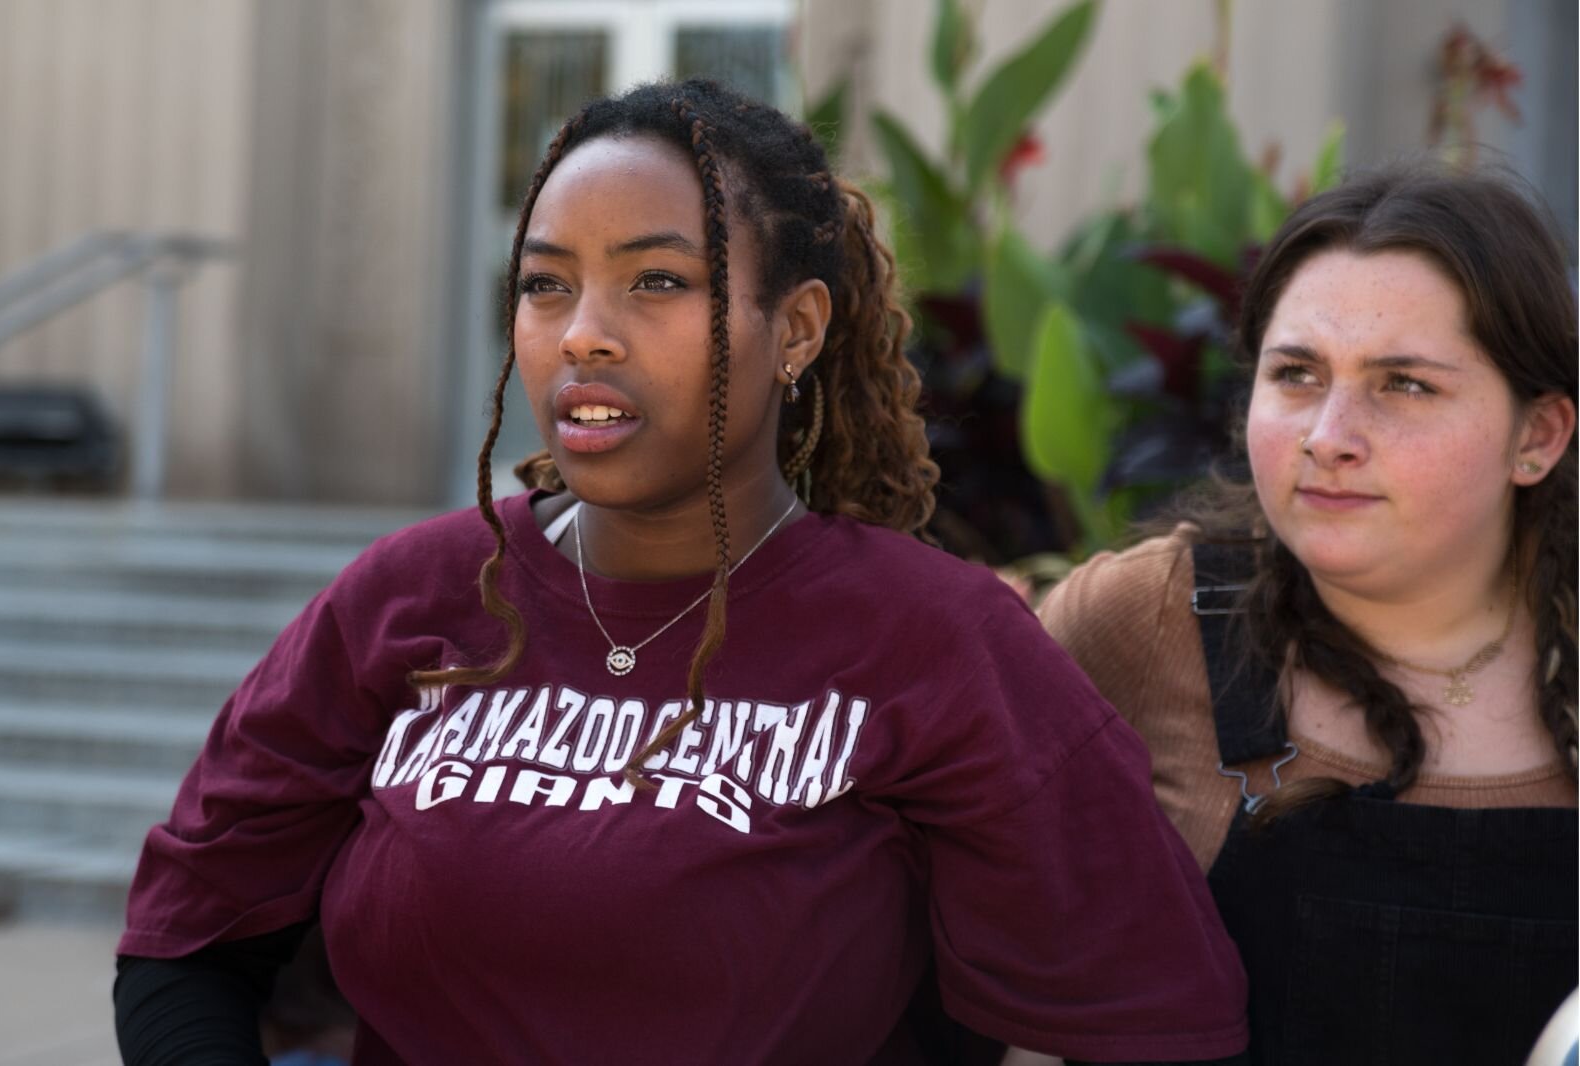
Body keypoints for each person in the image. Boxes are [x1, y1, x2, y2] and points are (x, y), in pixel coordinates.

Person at [113, 79, 1249, 1065]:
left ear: (794, 329)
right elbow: (184, 941)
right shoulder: (411, 597)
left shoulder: (934, 640)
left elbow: (1151, 1015)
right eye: (545, 284)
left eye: (656, 281)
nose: (583, 334)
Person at [1040, 165, 1578, 1066]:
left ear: (1538, 436)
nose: (1328, 437)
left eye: (1405, 385)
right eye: (1296, 374)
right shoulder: (1139, 624)